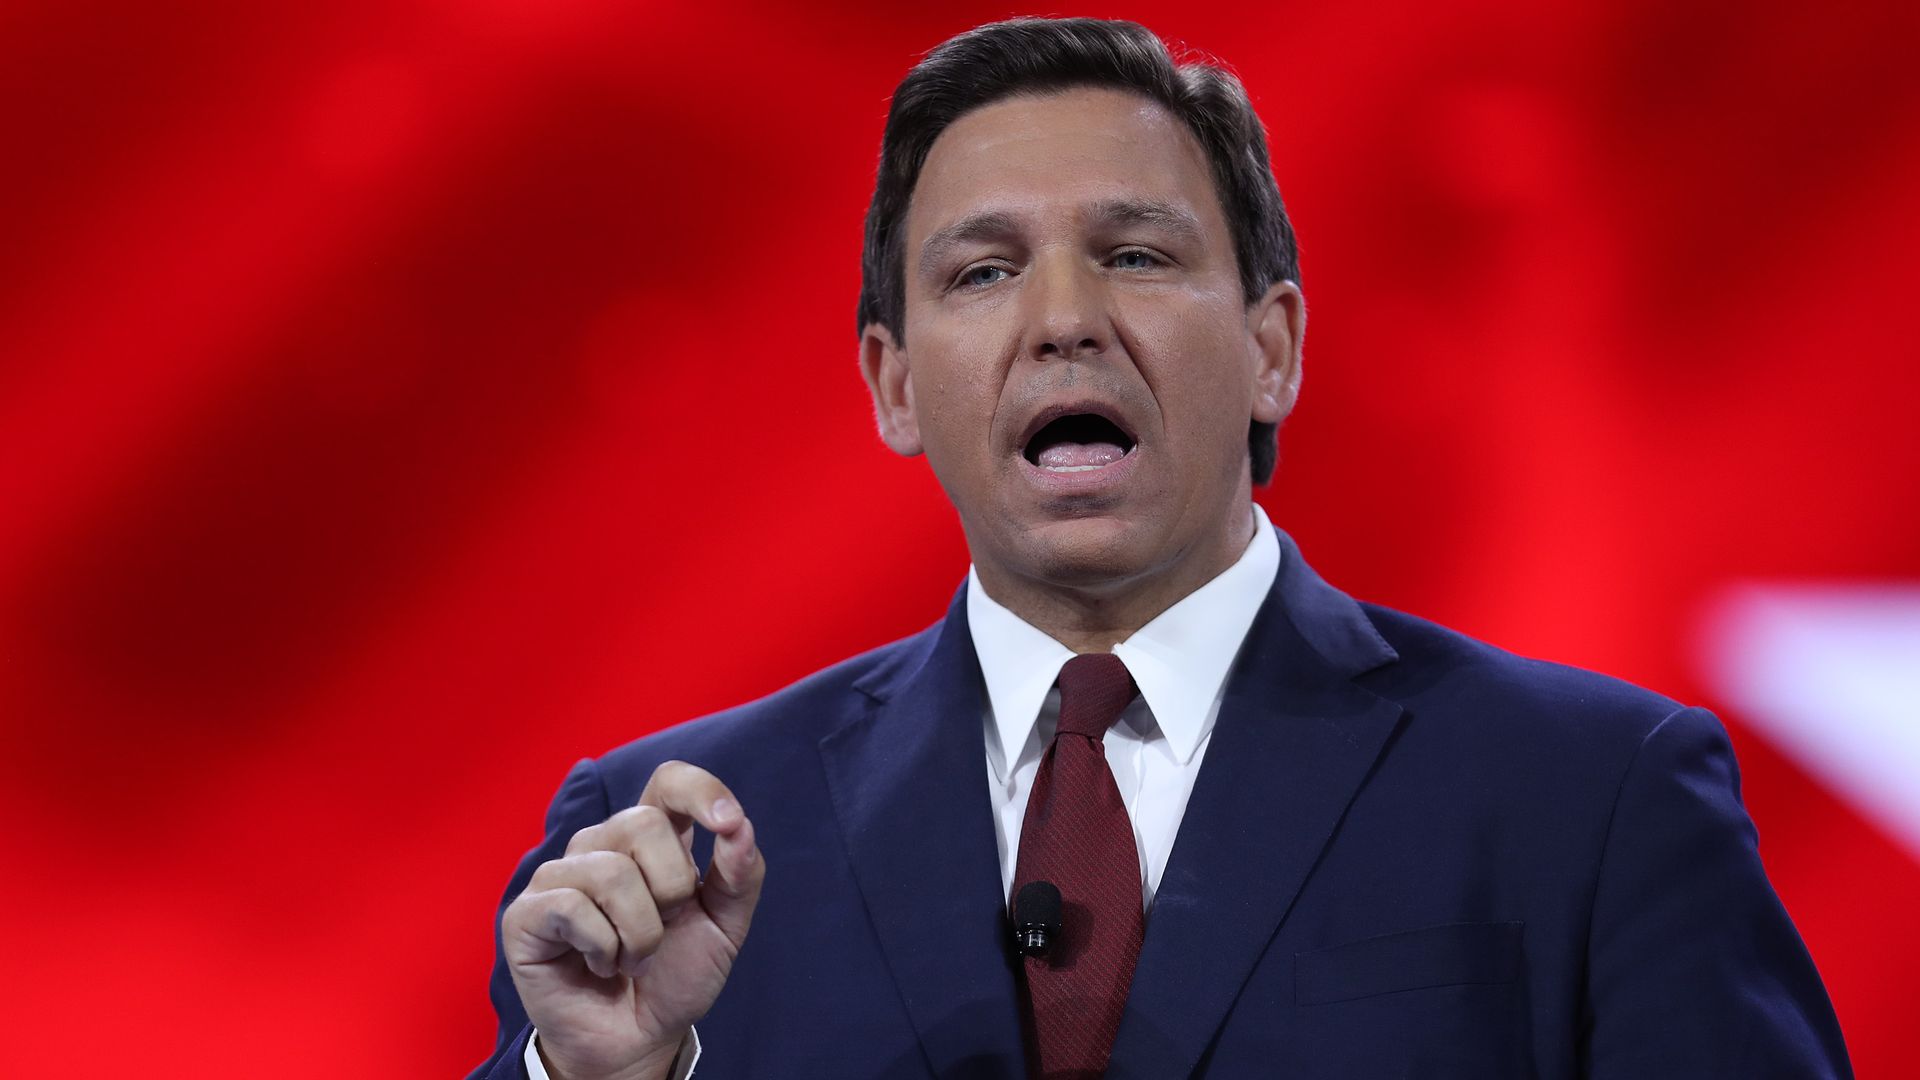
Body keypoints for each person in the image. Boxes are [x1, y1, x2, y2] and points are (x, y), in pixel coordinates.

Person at [469, 17, 1851, 1080]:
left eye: (1135, 255)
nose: (1063, 321)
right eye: (983, 272)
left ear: (1272, 349)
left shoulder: (1595, 797)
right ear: (893, 384)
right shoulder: (673, 841)